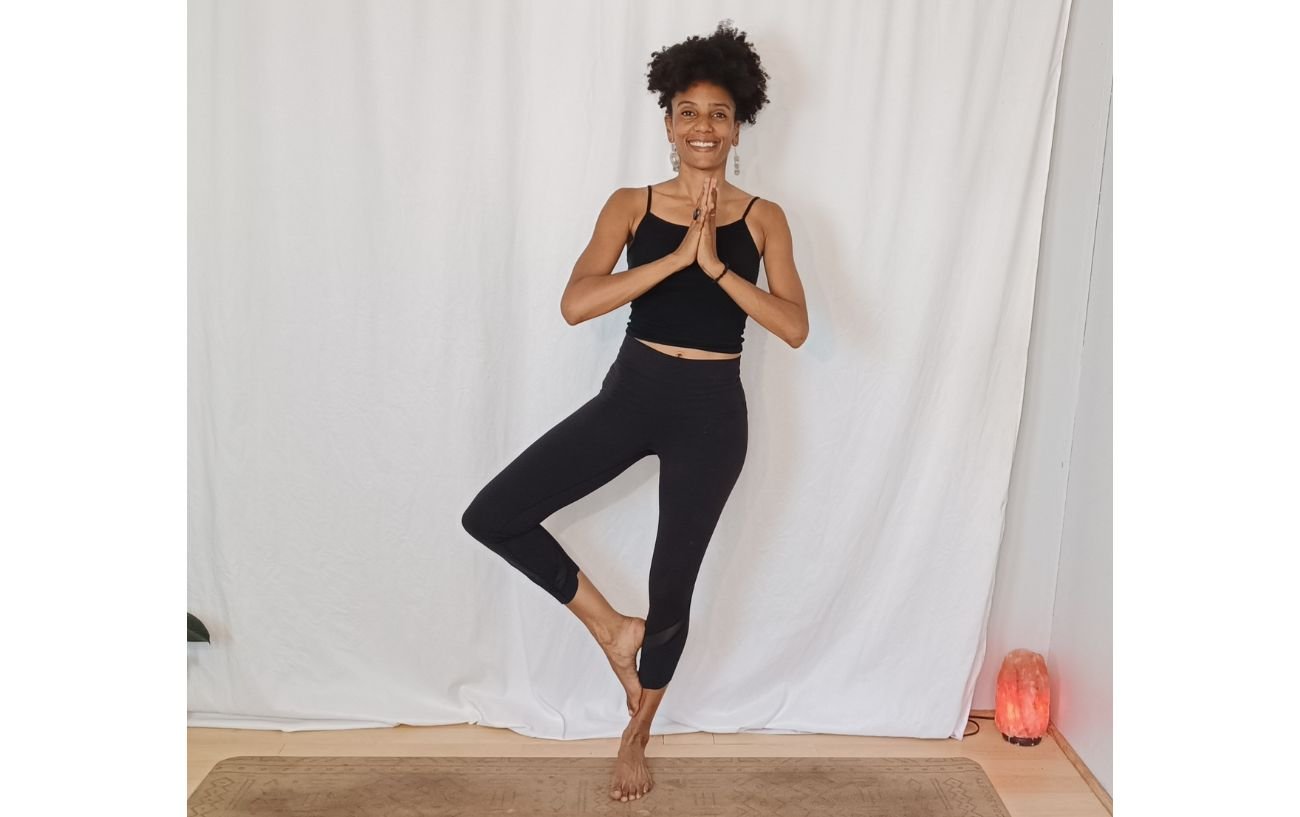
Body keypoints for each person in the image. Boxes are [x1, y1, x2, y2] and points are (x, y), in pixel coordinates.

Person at [460, 20, 808, 803]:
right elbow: (576, 302)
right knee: (494, 513)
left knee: (673, 582)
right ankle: (612, 627)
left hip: (714, 411)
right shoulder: (631, 204)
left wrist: (716, 268)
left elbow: (792, 325)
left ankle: (636, 732)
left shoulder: (763, 218)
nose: (703, 127)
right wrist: (675, 258)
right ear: (667, 121)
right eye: (688, 111)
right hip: (634, 393)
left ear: (739, 123)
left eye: (718, 113)